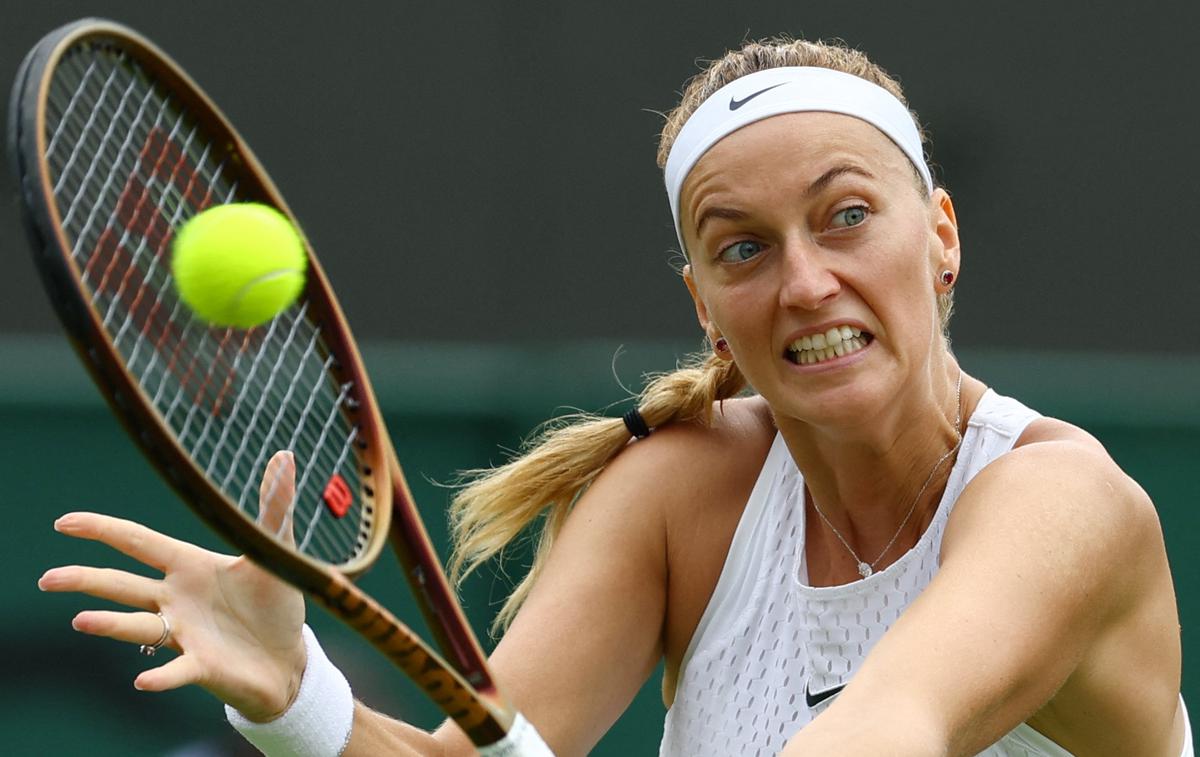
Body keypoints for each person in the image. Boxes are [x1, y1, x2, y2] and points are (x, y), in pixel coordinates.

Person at [38, 36, 1192, 757]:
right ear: (704, 302)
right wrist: (297, 699)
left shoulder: (1062, 505)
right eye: (742, 250)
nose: (803, 281)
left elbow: (889, 728)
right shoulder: (677, 495)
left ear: (939, 237)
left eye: (847, 216)